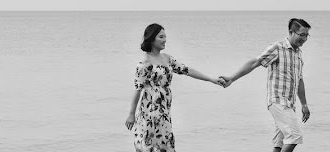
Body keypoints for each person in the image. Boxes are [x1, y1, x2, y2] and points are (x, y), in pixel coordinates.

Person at [125, 23, 225, 151]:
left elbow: (187, 70)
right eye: (161, 37)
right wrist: (131, 114)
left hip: (164, 113)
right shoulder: (144, 63)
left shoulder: (167, 59)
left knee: (166, 146)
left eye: (165, 36)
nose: (165, 40)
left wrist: (211, 79)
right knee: (148, 146)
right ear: (151, 38)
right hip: (148, 114)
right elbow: (137, 90)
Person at [220, 18, 311, 152]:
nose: (305, 38)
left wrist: (304, 104)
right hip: (278, 101)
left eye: (307, 35)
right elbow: (254, 63)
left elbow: (300, 80)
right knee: (295, 136)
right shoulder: (278, 48)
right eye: (302, 35)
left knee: (279, 142)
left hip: (290, 104)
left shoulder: (298, 53)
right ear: (291, 32)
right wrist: (232, 78)